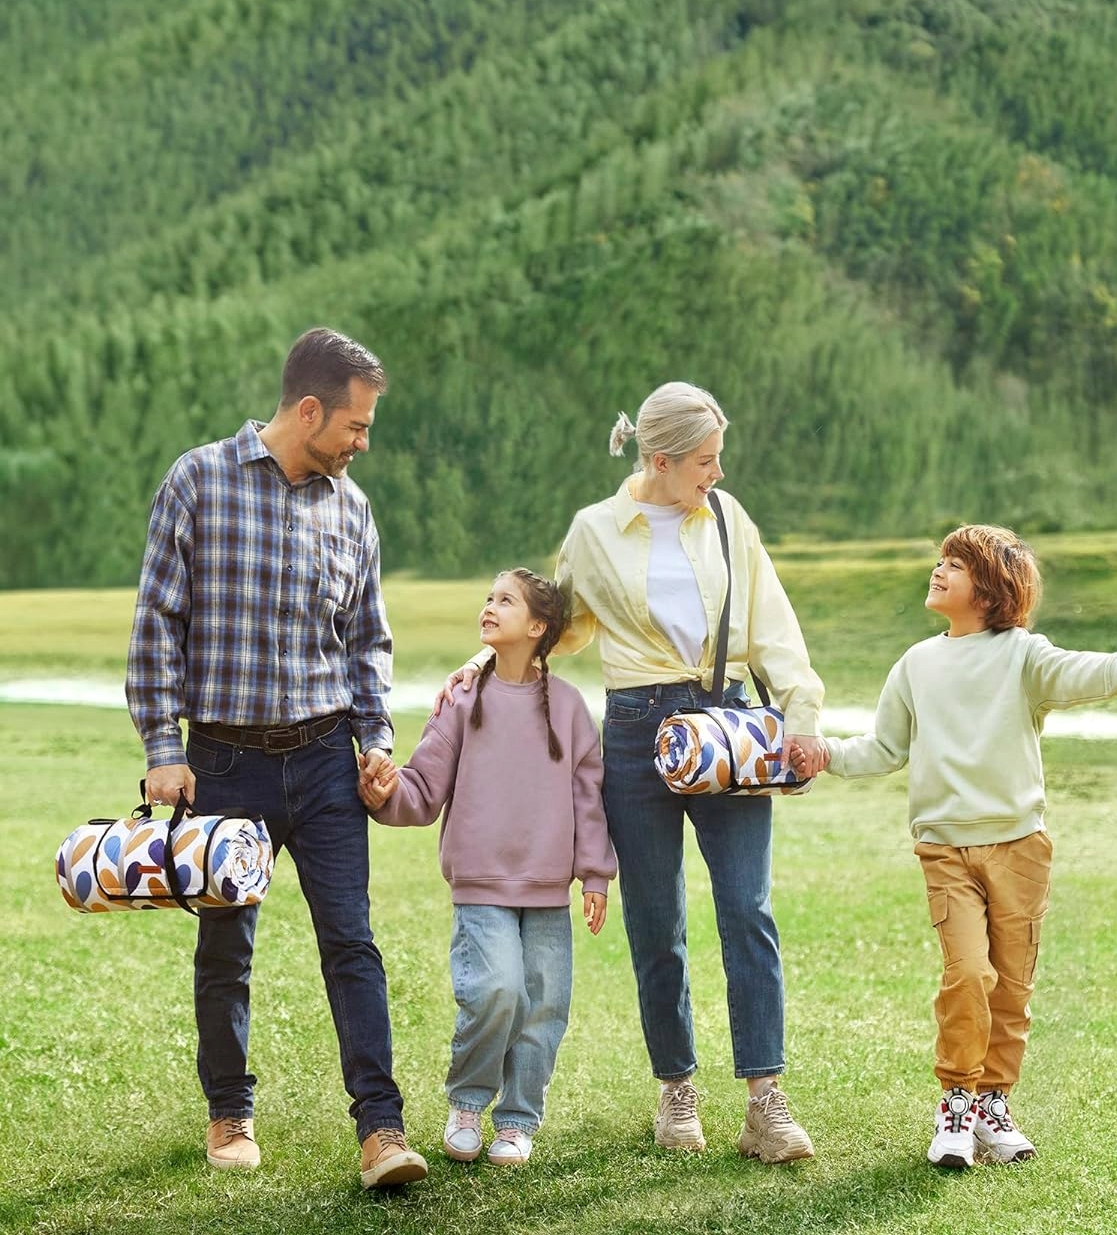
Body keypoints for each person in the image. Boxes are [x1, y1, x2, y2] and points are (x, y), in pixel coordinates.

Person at [440, 383, 826, 1163]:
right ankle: (676, 1090)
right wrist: (483, 661)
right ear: (660, 459)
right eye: (704, 463)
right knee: (657, 922)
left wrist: (803, 717)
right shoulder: (595, 531)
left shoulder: (727, 518)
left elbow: (773, 624)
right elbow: (558, 624)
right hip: (635, 732)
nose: (715, 474)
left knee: (747, 909)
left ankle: (765, 1101)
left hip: (723, 725)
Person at [125, 326, 428, 1189]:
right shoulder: (197, 481)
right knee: (227, 949)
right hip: (225, 765)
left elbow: (368, 640)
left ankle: (382, 1130)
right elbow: (158, 627)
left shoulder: (352, 507)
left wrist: (375, 742)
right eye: (356, 426)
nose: (363, 443)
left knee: (352, 942)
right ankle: (230, 1110)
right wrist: (162, 749)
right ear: (308, 410)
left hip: (329, 758)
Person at [808, 525, 1117, 1169]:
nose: (940, 570)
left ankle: (992, 1104)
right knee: (969, 973)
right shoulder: (915, 665)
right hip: (945, 850)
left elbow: (1074, 671)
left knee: (1011, 985)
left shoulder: (1022, 656)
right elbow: (885, 748)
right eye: (941, 560)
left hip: (1019, 848)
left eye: (956, 564)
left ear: (992, 588)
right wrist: (824, 756)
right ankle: (955, 1102)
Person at [358, 568, 614, 1166]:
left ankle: (518, 1119)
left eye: (506, 601)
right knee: (495, 990)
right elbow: (422, 787)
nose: (490, 607)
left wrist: (595, 874)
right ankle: (468, 1101)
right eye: (488, 597)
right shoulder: (461, 700)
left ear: (538, 626)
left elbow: (589, 798)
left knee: (544, 1005)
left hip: (548, 888)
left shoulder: (572, 709)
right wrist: (384, 793)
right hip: (480, 882)